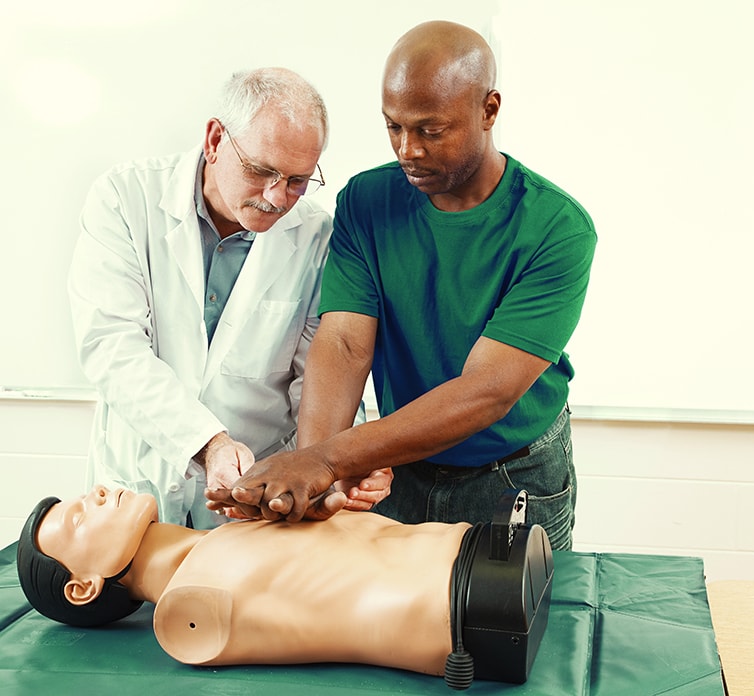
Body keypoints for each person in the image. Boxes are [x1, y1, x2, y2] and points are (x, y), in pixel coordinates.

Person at [207, 21, 597, 550]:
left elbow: (486, 391)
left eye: (431, 131)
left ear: (488, 110)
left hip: (512, 475)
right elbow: (344, 345)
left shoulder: (557, 227)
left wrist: (325, 459)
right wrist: (316, 476)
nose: (408, 150)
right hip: (396, 467)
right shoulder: (366, 201)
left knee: (511, 608)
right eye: (393, 127)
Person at [67, 67, 390, 529]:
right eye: (261, 171)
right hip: (139, 484)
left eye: (298, 181)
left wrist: (341, 460)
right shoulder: (125, 199)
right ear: (215, 140)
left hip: (258, 500)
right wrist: (209, 444)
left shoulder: (317, 236)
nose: (277, 197)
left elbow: (319, 377)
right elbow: (111, 348)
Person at [16, 484, 553, 688]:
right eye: (78, 519)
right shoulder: (187, 615)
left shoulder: (220, 539)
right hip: (469, 605)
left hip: (480, 553)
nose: (98, 493)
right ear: (83, 587)